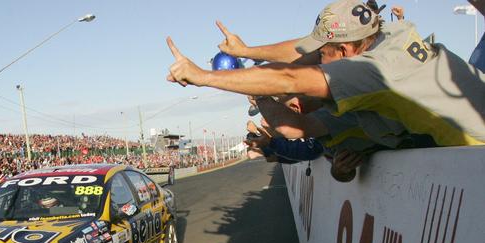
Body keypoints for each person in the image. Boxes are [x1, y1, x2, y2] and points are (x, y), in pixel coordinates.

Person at [166, 0, 485, 147]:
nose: (316, 59)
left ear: (346, 51)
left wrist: (204, 76)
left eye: (323, 54)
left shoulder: (373, 71)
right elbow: (300, 50)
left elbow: (290, 79)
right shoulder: (387, 31)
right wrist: (246, 52)